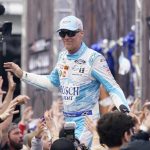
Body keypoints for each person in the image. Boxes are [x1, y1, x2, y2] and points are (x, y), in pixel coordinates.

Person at [4, 15, 130, 147]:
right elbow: (52, 83)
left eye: (70, 33)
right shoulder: (63, 56)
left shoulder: (94, 58)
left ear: (81, 34)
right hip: (67, 122)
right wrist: (22, 74)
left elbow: (113, 87)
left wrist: (126, 111)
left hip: (87, 122)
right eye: (63, 33)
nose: (66, 37)